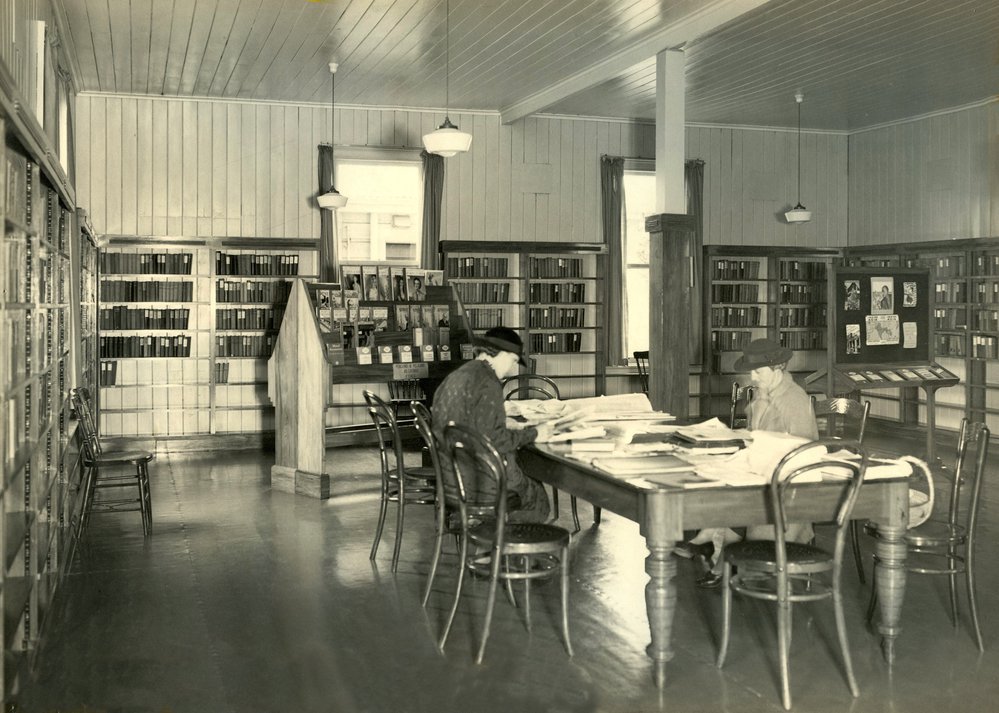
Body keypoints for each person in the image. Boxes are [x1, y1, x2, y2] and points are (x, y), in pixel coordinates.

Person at [686, 338, 818, 587]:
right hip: (763, 472)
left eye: (758, 371)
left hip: (787, 489)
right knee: (720, 479)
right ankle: (717, 548)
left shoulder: (794, 400)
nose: (753, 377)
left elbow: (804, 450)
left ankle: (718, 549)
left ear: (778, 367)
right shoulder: (763, 393)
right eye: (751, 372)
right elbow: (755, 434)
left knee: (737, 496)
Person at [432, 326, 552, 523]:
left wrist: (502, 422)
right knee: (537, 500)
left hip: (452, 480)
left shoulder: (458, 375)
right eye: (513, 360)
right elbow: (497, 441)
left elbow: (466, 421)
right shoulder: (488, 381)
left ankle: (483, 531)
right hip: (480, 482)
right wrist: (536, 433)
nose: (512, 368)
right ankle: (497, 537)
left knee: (522, 472)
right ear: (502, 354)